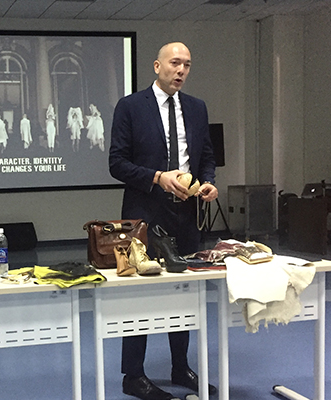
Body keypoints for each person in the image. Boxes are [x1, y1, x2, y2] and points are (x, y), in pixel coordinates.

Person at [108, 42, 219, 400]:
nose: (181, 70)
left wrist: (208, 182)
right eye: (174, 63)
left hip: (185, 214)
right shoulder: (130, 107)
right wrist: (157, 177)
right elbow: (117, 163)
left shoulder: (197, 108)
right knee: (138, 294)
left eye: (187, 64)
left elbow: (206, 156)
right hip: (145, 213)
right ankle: (133, 375)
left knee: (183, 292)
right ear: (157, 66)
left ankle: (180, 366)